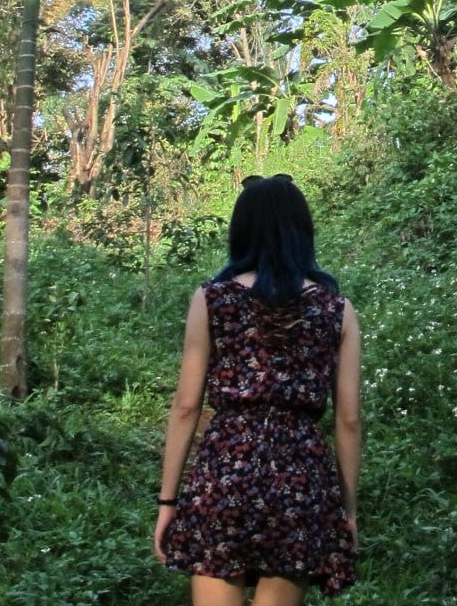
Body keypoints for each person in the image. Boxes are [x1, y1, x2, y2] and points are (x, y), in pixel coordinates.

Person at [153, 173, 361, 605]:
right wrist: (347, 510)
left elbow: (186, 407)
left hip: (225, 471)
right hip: (300, 476)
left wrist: (168, 500)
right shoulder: (337, 310)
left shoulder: (212, 299)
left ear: (241, 230)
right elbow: (348, 419)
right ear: (303, 231)